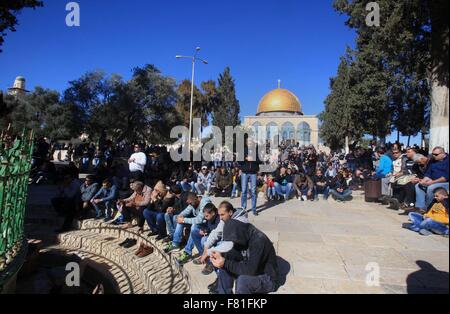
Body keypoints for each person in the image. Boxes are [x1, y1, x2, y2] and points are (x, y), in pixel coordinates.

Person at [210, 220, 280, 295]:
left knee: (242, 281)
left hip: (268, 278)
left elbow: (251, 270)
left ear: (238, 235)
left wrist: (225, 263)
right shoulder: (243, 233)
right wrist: (219, 257)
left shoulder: (259, 241)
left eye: (234, 241)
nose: (234, 243)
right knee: (224, 261)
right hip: (252, 266)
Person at [198, 201, 249, 293]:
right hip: (234, 249)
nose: (220, 218)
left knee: (222, 256)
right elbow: (216, 232)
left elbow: (230, 244)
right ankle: (221, 284)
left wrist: (209, 252)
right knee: (212, 248)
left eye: (222, 215)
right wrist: (206, 248)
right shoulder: (226, 219)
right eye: (219, 215)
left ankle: (223, 287)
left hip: (244, 255)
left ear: (230, 212)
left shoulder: (240, 222)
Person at [188, 203, 221, 274]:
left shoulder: (219, 219)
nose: (205, 218)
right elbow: (209, 227)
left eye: (207, 216)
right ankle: (203, 255)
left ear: (213, 213)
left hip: (219, 240)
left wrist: (208, 233)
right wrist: (205, 230)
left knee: (204, 240)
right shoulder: (210, 218)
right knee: (194, 232)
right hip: (211, 236)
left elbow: (216, 234)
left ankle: (210, 262)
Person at [414, 147, 449, 212]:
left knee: (431, 188)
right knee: (418, 185)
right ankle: (420, 208)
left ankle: (428, 208)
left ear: (443, 153)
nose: (433, 156)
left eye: (436, 154)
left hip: (445, 182)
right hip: (433, 181)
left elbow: (445, 177)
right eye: (432, 154)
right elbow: (428, 173)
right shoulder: (432, 161)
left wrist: (432, 182)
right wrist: (423, 180)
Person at [239, 137, 260, 216]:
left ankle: (254, 209)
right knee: (244, 191)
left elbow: (260, 160)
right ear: (246, 142)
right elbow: (239, 161)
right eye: (248, 141)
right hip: (244, 173)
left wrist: (253, 159)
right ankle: (243, 209)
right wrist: (245, 158)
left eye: (251, 141)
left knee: (254, 191)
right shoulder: (243, 150)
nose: (250, 143)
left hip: (253, 173)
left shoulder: (256, 150)